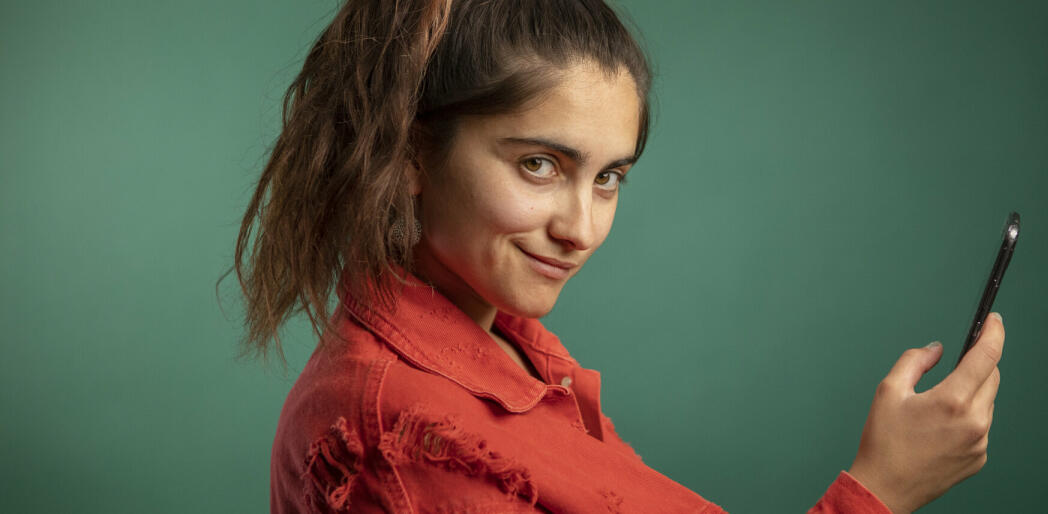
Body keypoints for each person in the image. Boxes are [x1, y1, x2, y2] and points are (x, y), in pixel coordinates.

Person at [224, 0, 1005, 512]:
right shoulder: (405, 428)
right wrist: (882, 490)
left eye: (609, 179)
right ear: (411, 155)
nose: (582, 227)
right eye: (539, 165)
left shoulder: (513, 362)